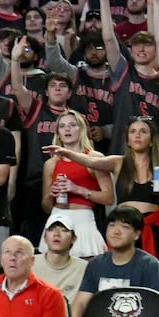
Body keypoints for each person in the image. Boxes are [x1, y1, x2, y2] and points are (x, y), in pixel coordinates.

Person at [72, 206, 159, 317]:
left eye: (125, 227)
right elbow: (81, 303)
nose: (116, 231)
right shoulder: (95, 264)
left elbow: (157, 308)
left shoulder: (150, 266)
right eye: (112, 225)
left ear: (136, 234)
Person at [39, 110, 113, 258]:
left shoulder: (94, 158)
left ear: (82, 129)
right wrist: (51, 195)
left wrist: (77, 189)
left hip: (83, 221)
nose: (67, 129)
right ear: (58, 132)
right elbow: (46, 206)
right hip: (56, 219)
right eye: (62, 126)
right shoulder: (51, 163)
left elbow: (109, 198)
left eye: (73, 125)